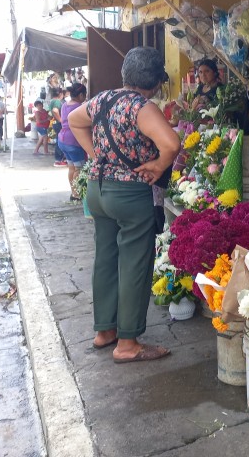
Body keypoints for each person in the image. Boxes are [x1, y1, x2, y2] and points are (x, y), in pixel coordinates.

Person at [68, 47, 180, 364]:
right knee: (134, 263)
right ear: (157, 80)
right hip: (130, 194)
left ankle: (105, 332)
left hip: (98, 191)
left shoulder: (103, 100)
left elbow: (75, 121)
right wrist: (158, 165)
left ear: (125, 74)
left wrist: (95, 155)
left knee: (105, 258)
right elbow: (171, 144)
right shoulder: (143, 107)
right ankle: (128, 344)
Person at [57, 83, 88, 201]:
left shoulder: (65, 105)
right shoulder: (80, 107)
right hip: (74, 141)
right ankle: (77, 194)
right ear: (81, 95)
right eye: (84, 95)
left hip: (63, 139)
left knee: (71, 168)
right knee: (79, 169)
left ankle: (73, 192)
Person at [48, 87, 67, 167]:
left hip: (55, 122)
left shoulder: (52, 101)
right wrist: (61, 120)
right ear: (60, 94)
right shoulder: (57, 101)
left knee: (59, 140)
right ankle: (58, 160)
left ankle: (60, 159)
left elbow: (50, 113)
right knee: (60, 141)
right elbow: (55, 110)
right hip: (58, 123)